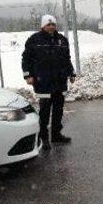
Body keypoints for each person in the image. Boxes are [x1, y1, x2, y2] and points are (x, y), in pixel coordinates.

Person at [22, 15, 76, 149]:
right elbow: (26, 59)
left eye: (53, 24)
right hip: (43, 82)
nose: (51, 27)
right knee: (44, 112)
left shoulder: (62, 40)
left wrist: (71, 73)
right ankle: (43, 138)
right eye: (48, 24)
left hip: (59, 81)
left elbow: (67, 59)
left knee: (58, 110)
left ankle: (56, 135)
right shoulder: (34, 40)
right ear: (43, 26)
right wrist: (28, 75)